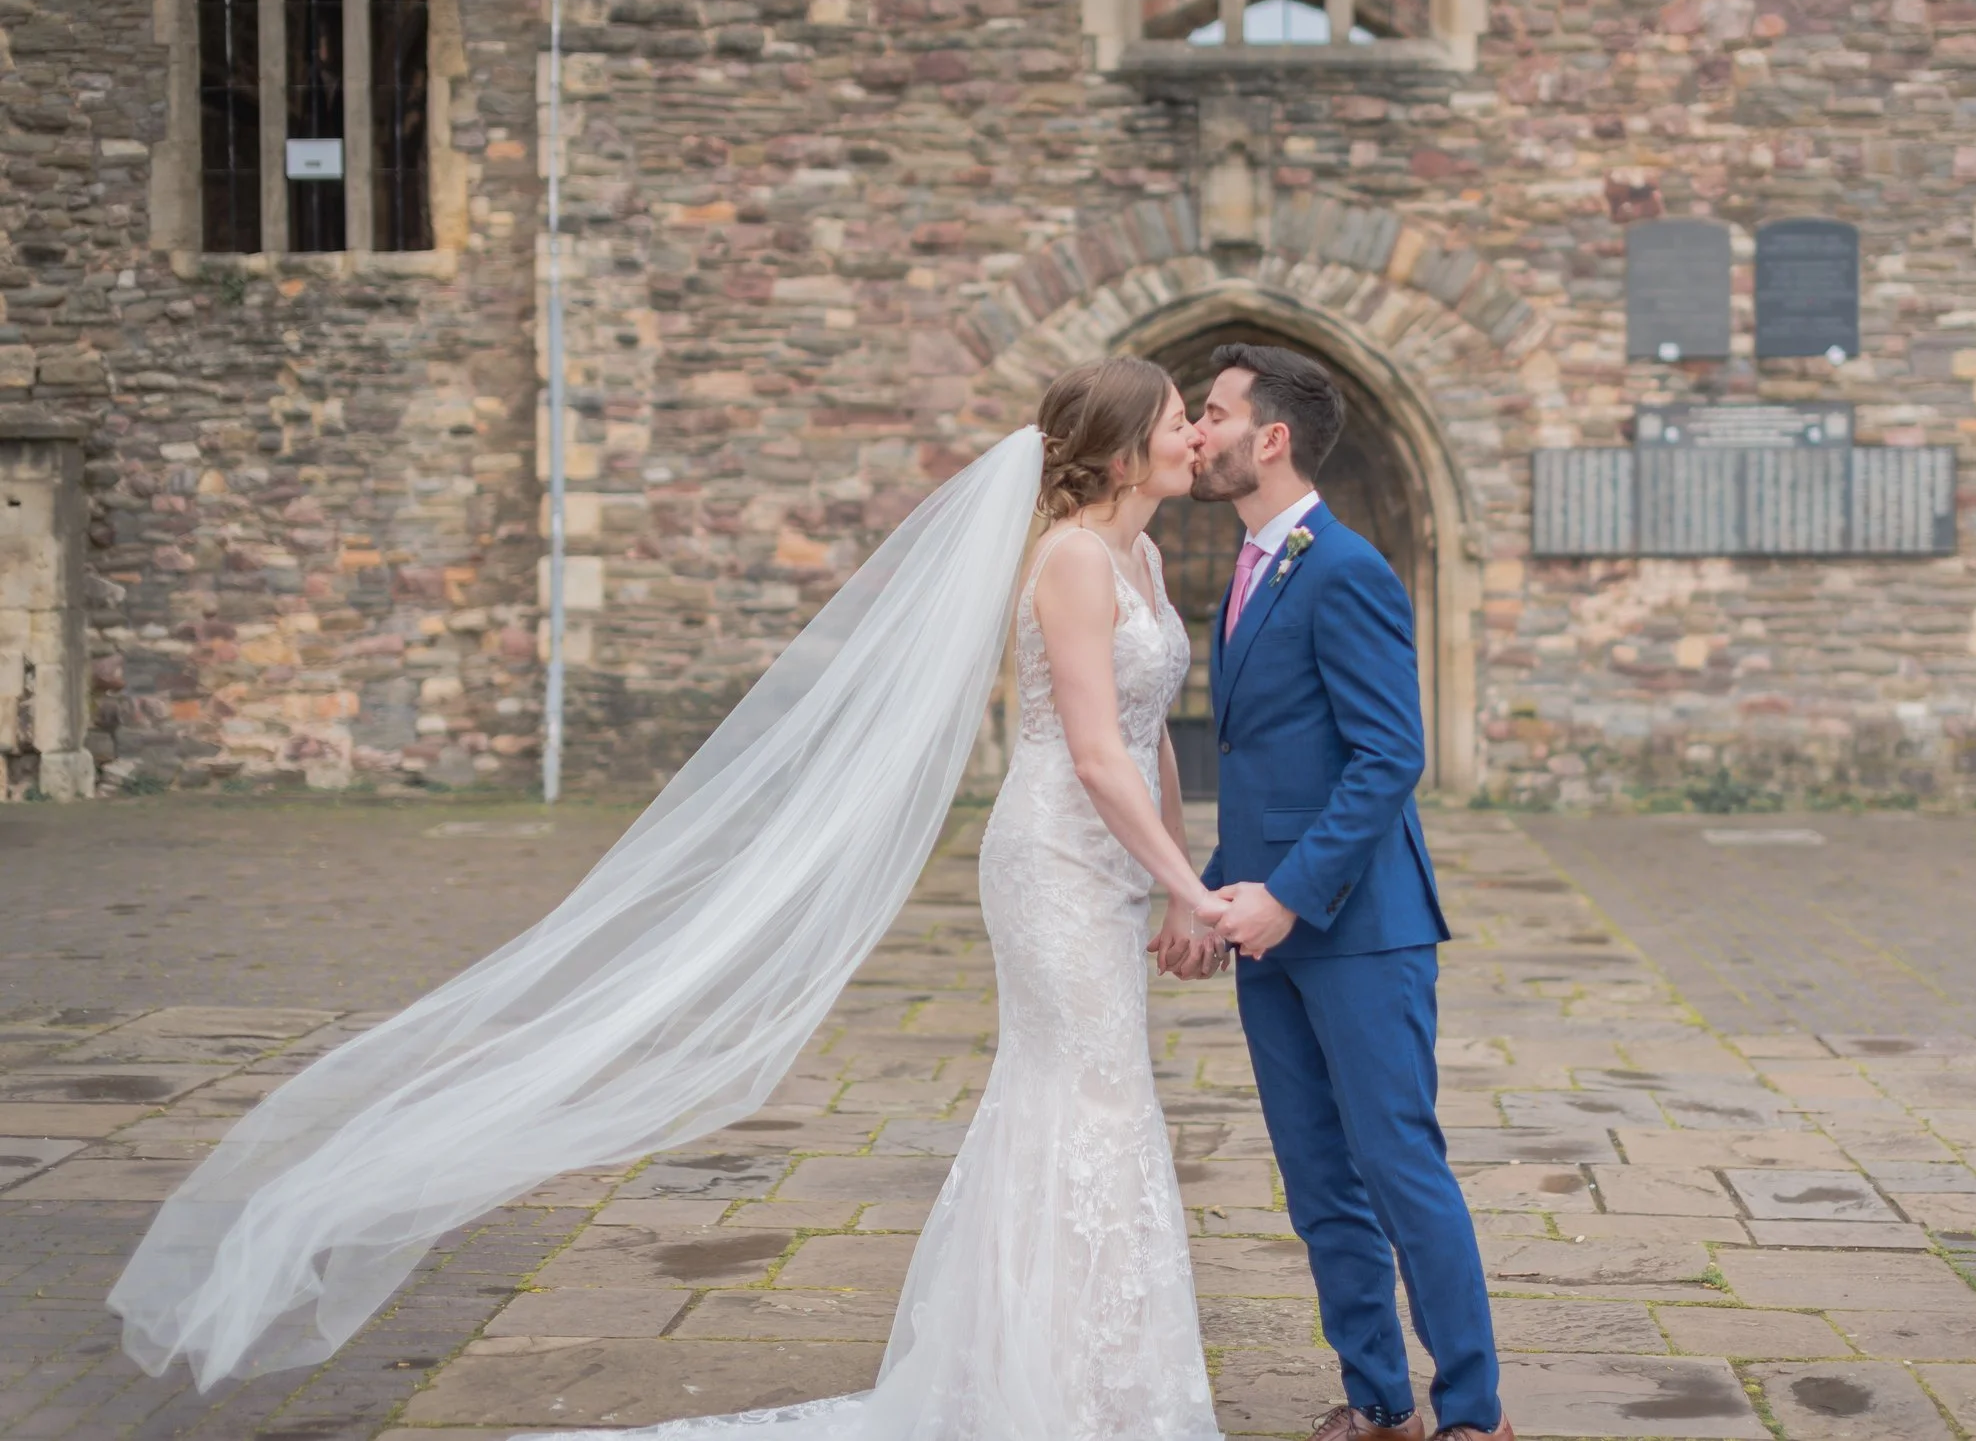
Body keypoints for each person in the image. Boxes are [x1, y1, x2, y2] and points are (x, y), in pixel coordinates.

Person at [111, 358, 1238, 1440]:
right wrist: (1186, 886)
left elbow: (1150, 746)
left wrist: (1176, 884)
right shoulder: (1075, 563)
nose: (1197, 436)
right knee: (1081, 1103)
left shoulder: (1137, 565)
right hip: (1051, 855)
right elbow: (1093, 754)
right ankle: (1057, 1395)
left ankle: (1088, 1380)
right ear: (1127, 445)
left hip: (1110, 869)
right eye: (1182, 418)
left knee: (1095, 1102)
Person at [1192, 344, 1511, 1441]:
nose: (1196, 430)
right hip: (1266, 931)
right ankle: (1379, 1402)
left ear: (1267, 438)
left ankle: (1473, 1414)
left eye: (1212, 412)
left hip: (1360, 925)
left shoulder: (1347, 568)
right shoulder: (1241, 570)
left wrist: (1287, 894)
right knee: (1318, 1179)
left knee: (1396, 1165)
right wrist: (1208, 895)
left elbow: (1388, 756)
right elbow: (1270, 765)